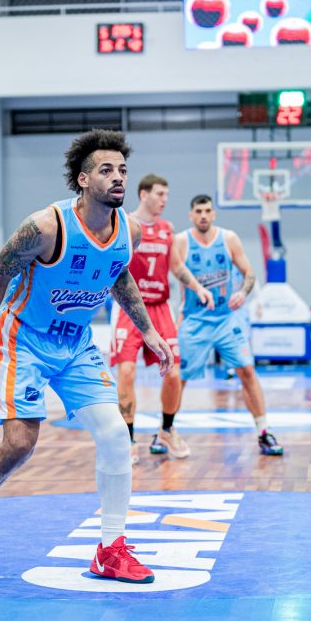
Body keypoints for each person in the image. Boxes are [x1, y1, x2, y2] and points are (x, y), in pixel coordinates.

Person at [0, 129, 173, 586]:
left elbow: (118, 274)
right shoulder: (45, 227)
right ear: (83, 180)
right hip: (23, 339)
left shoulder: (130, 231)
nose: (118, 178)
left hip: (76, 343)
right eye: (106, 170)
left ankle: (110, 550)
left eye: (123, 170)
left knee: (116, 434)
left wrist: (147, 330)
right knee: (19, 445)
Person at [111, 173, 213, 464]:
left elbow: (176, 267)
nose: (165, 200)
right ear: (144, 195)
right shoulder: (123, 223)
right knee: (126, 372)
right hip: (130, 307)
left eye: (167, 194)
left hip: (160, 308)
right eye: (159, 194)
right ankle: (128, 439)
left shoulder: (167, 229)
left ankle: (167, 430)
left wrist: (197, 287)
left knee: (174, 373)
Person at [175, 194, 283, 456]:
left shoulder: (228, 238)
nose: (203, 215)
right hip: (195, 319)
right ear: (191, 215)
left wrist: (243, 293)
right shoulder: (181, 241)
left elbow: (249, 273)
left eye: (207, 211)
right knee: (178, 378)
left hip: (226, 319)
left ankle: (264, 431)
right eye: (198, 211)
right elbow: (176, 274)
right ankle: (165, 430)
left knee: (247, 371)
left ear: (214, 214)